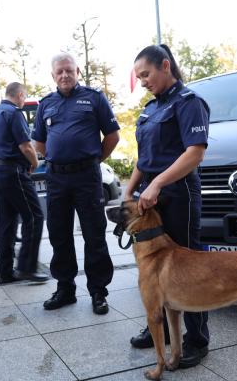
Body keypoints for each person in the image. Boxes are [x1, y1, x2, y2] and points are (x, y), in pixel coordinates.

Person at [125, 44, 211, 368]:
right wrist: (130, 190)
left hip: (178, 194)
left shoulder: (189, 103)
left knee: (189, 268)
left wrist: (158, 182)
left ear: (165, 66)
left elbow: (195, 153)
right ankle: (156, 324)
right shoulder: (149, 109)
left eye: (145, 74)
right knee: (153, 267)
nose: (143, 81)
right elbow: (144, 158)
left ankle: (197, 339)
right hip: (149, 197)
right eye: (139, 77)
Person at [32, 53, 120, 315]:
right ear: (53, 75)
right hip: (57, 178)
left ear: (77, 71)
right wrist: (60, 158)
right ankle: (65, 288)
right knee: (59, 234)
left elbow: (113, 136)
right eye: (59, 72)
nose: (64, 75)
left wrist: (93, 159)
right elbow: (39, 143)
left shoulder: (94, 98)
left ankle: (98, 292)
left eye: (69, 70)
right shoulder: (46, 103)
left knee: (94, 234)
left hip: (87, 177)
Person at [0, 82, 49, 284]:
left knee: (7, 221)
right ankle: (26, 267)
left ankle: (5, 272)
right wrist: (34, 162)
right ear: (20, 95)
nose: (23, 101)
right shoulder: (14, 113)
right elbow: (26, 146)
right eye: (24, 97)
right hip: (13, 171)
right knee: (34, 216)